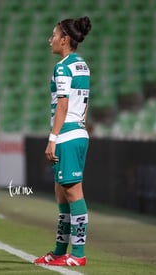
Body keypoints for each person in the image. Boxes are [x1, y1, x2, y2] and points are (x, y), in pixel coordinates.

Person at [34, 16, 92, 266]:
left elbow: (63, 105)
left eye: (54, 35)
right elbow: (85, 104)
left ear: (65, 39)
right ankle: (59, 251)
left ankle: (78, 254)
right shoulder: (82, 65)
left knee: (73, 192)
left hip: (66, 134)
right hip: (78, 131)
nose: (51, 39)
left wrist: (52, 139)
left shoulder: (63, 66)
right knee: (61, 193)